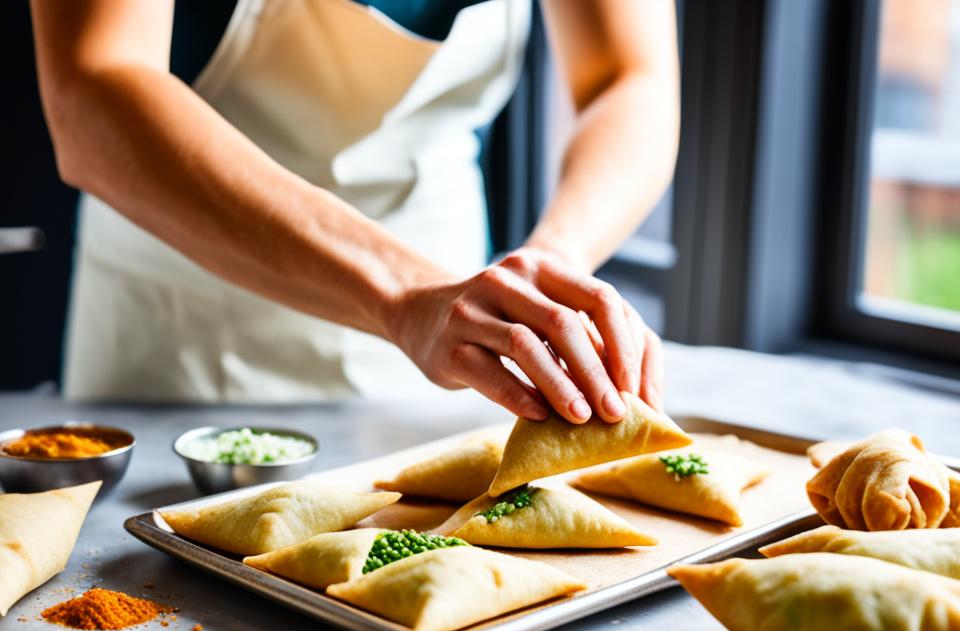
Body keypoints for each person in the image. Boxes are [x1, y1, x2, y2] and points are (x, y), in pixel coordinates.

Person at [31, 0, 679, 424]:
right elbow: (93, 86)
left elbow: (629, 77)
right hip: (181, 356)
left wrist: (550, 268)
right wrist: (408, 292)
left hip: (454, 370)